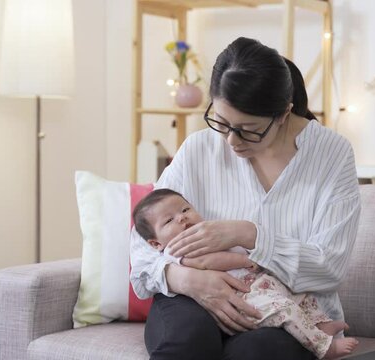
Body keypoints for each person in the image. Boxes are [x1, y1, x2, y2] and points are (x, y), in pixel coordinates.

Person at [130, 36, 361, 360]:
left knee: (259, 352)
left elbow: (328, 267)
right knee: (187, 340)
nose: (231, 141)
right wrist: (184, 278)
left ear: (283, 113)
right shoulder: (199, 149)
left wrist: (248, 234)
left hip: (285, 309)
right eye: (221, 123)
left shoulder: (331, 155)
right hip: (191, 297)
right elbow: (142, 244)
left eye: (248, 129)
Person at [132, 188, 359, 359]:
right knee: (285, 310)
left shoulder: (207, 230)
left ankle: (320, 325)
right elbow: (207, 260)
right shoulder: (176, 249)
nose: (181, 218)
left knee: (302, 297)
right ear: (155, 243)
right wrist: (245, 259)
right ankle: (323, 346)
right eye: (169, 220)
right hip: (243, 295)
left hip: (260, 283)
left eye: (185, 210)